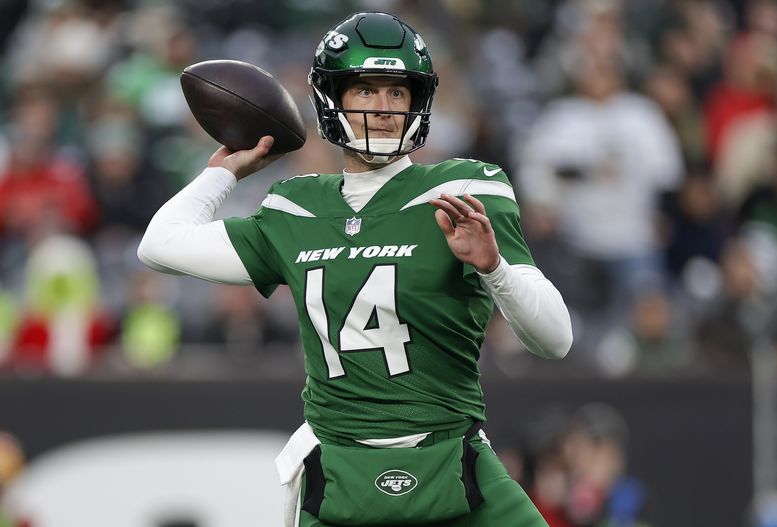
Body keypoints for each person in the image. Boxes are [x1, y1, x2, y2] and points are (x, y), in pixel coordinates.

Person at [138, 12, 572, 527]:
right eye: (365, 91)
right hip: (340, 476)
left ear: (418, 101)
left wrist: (494, 266)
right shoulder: (295, 209)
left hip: (452, 463)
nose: (384, 109)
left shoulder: (463, 192)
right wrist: (226, 171)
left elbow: (556, 340)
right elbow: (160, 244)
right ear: (330, 99)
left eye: (397, 92)